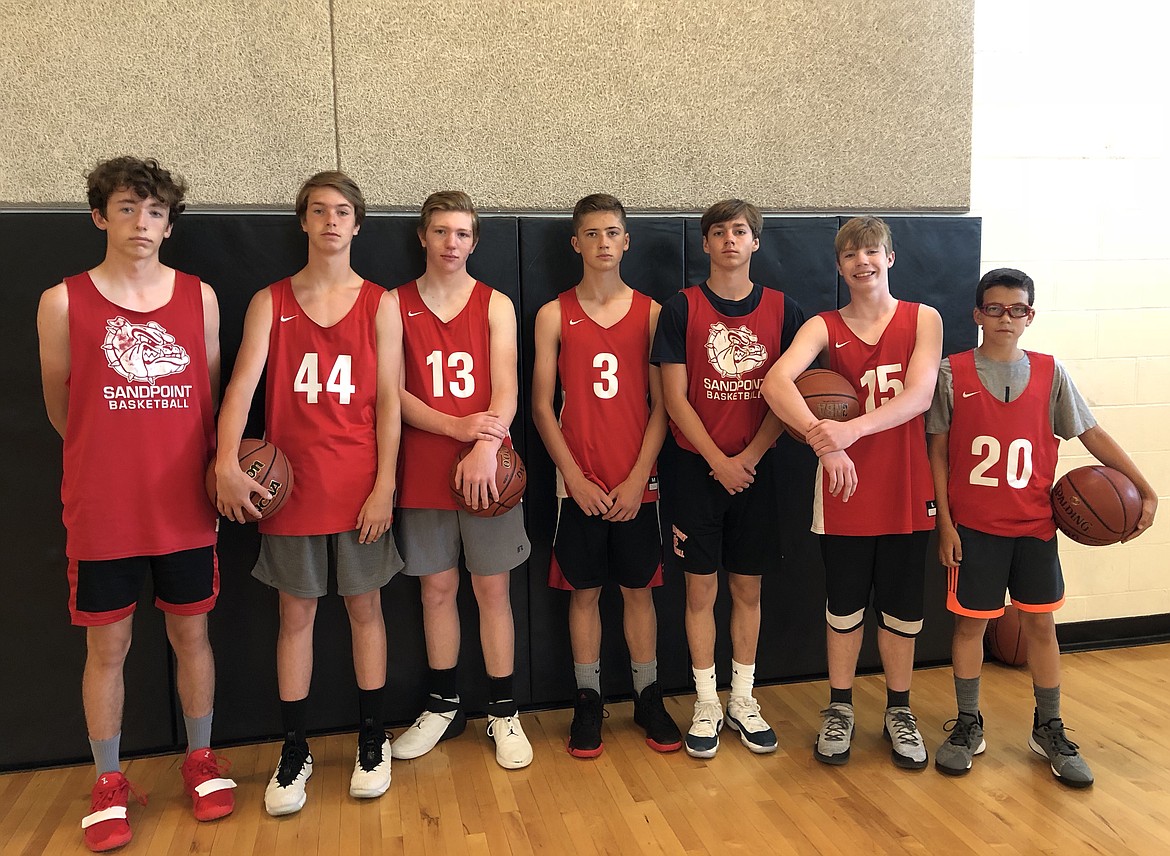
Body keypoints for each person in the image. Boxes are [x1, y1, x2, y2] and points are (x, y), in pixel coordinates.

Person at [36, 156, 235, 852]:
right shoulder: (62, 301)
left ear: (169, 223)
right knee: (108, 646)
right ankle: (109, 781)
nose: (141, 223)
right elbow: (65, 408)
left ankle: (202, 760)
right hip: (104, 509)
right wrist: (116, 452)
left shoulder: (199, 298)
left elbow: (206, 399)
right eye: (126, 208)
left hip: (184, 505)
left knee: (192, 637)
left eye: (154, 212)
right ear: (99, 216)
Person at [215, 171, 403, 815]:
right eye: (319, 210)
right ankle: (293, 751)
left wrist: (386, 485)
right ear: (303, 222)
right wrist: (223, 461)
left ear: (357, 224)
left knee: (365, 612)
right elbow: (240, 388)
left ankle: (371, 740)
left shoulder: (379, 302)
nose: (330, 220)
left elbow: (387, 404)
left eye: (342, 211)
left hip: (358, 487)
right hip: (288, 488)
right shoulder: (271, 301)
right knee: (294, 618)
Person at [927, 267, 1157, 786]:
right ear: (977, 314)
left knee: (1040, 628)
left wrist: (1143, 487)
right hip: (976, 529)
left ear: (1030, 316)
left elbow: (1091, 434)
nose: (1005, 318)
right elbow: (936, 454)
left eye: (1017, 309)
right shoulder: (951, 372)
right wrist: (945, 523)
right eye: (995, 308)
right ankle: (968, 724)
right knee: (970, 626)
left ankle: (1048, 727)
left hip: (1034, 528)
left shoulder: (1052, 373)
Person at [762, 216, 943, 770]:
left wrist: (851, 430)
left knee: (903, 611)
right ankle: (839, 707)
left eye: (871, 251)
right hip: (842, 488)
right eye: (850, 255)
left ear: (890, 258)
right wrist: (825, 444)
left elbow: (918, 397)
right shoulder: (822, 324)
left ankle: (898, 709)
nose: (862, 261)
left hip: (908, 485)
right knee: (843, 609)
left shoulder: (923, 319)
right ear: (839, 267)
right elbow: (774, 382)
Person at [651, 198, 804, 758]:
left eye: (740, 231)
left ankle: (743, 696)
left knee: (747, 586)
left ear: (755, 242)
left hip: (759, 469)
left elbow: (787, 395)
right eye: (719, 232)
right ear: (707, 244)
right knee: (700, 588)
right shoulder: (680, 309)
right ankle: (706, 702)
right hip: (696, 468)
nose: (730, 240)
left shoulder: (785, 310)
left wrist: (751, 455)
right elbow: (674, 397)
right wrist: (718, 460)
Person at [532, 194, 681, 758]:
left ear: (626, 241)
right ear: (576, 243)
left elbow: (664, 404)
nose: (601, 242)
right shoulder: (554, 313)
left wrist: (639, 476)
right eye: (590, 233)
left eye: (611, 232)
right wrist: (574, 477)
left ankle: (647, 695)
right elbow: (543, 407)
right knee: (584, 593)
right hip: (579, 484)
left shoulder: (650, 313)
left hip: (637, 483)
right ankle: (588, 698)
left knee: (640, 591)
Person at [391, 191, 534, 770]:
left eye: (463, 234)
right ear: (422, 237)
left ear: (474, 241)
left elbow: (508, 386)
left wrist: (485, 444)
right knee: (436, 590)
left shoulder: (495, 303)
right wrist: (456, 426)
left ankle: (504, 711)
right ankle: (443, 705)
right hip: (423, 466)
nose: (452, 243)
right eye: (442, 232)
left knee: (492, 590)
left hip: (490, 469)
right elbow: (390, 393)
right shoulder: (393, 304)